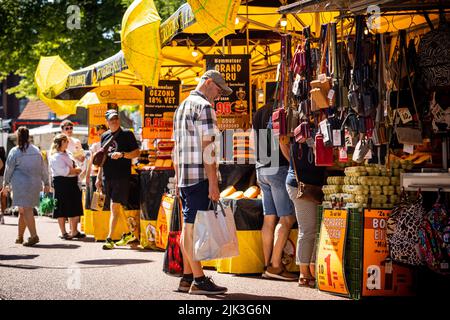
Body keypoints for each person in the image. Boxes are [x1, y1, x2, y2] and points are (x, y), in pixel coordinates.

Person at [173, 70, 231, 295]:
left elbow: (176, 148)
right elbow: (209, 148)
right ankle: (198, 279)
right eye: (218, 89)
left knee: (189, 225)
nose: (218, 95)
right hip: (199, 176)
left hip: (186, 176)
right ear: (208, 83)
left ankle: (187, 278)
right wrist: (213, 182)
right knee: (191, 227)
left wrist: (178, 178)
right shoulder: (204, 107)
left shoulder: (182, 107)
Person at [251, 102, 297, 281]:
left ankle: (267, 264)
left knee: (269, 218)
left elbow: (254, 143)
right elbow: (282, 140)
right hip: (279, 167)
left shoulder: (259, 112)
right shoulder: (280, 110)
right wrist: (293, 163)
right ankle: (276, 265)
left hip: (262, 168)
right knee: (287, 218)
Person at [281, 139, 325, 287]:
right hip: (301, 186)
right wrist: (294, 167)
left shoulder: (298, 130)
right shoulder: (299, 126)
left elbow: (282, 142)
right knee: (308, 229)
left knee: (311, 229)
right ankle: (304, 273)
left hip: (303, 184)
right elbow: (282, 142)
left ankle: (311, 270)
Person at [95, 110, 140, 250]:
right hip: (107, 176)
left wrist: (122, 154)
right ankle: (128, 234)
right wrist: (98, 176)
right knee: (117, 207)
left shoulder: (127, 134)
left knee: (115, 207)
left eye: (116, 118)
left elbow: (136, 152)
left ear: (118, 120)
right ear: (107, 122)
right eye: (111, 119)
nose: (114, 121)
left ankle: (109, 239)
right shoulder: (104, 136)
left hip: (122, 176)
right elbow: (102, 158)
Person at [2, 127, 50, 246]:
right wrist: (47, 183)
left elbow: (8, 169)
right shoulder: (35, 150)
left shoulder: (15, 151)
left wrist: (5, 184)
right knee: (22, 210)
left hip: (20, 184)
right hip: (34, 183)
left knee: (26, 209)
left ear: (17, 137)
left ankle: (34, 236)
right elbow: (43, 168)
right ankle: (20, 237)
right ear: (28, 136)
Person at [49, 134, 85, 240]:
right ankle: (63, 232)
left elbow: (76, 165)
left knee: (75, 207)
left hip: (72, 182)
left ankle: (74, 231)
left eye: (67, 141)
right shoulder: (55, 156)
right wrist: (74, 170)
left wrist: (74, 170)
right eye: (65, 142)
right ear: (59, 143)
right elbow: (64, 171)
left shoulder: (69, 153)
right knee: (61, 208)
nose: (67, 143)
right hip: (61, 183)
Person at [85, 124, 108, 209]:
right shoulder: (95, 146)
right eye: (99, 134)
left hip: (107, 175)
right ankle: (97, 219)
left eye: (103, 133)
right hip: (95, 175)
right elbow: (90, 162)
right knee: (96, 201)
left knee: (105, 200)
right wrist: (87, 176)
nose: (101, 136)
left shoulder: (112, 144)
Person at [0, 147, 6, 224]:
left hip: (0, 177)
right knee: (2, 198)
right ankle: (2, 216)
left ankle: (1, 215)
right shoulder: (5, 158)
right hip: (2, 177)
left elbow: (1, 164)